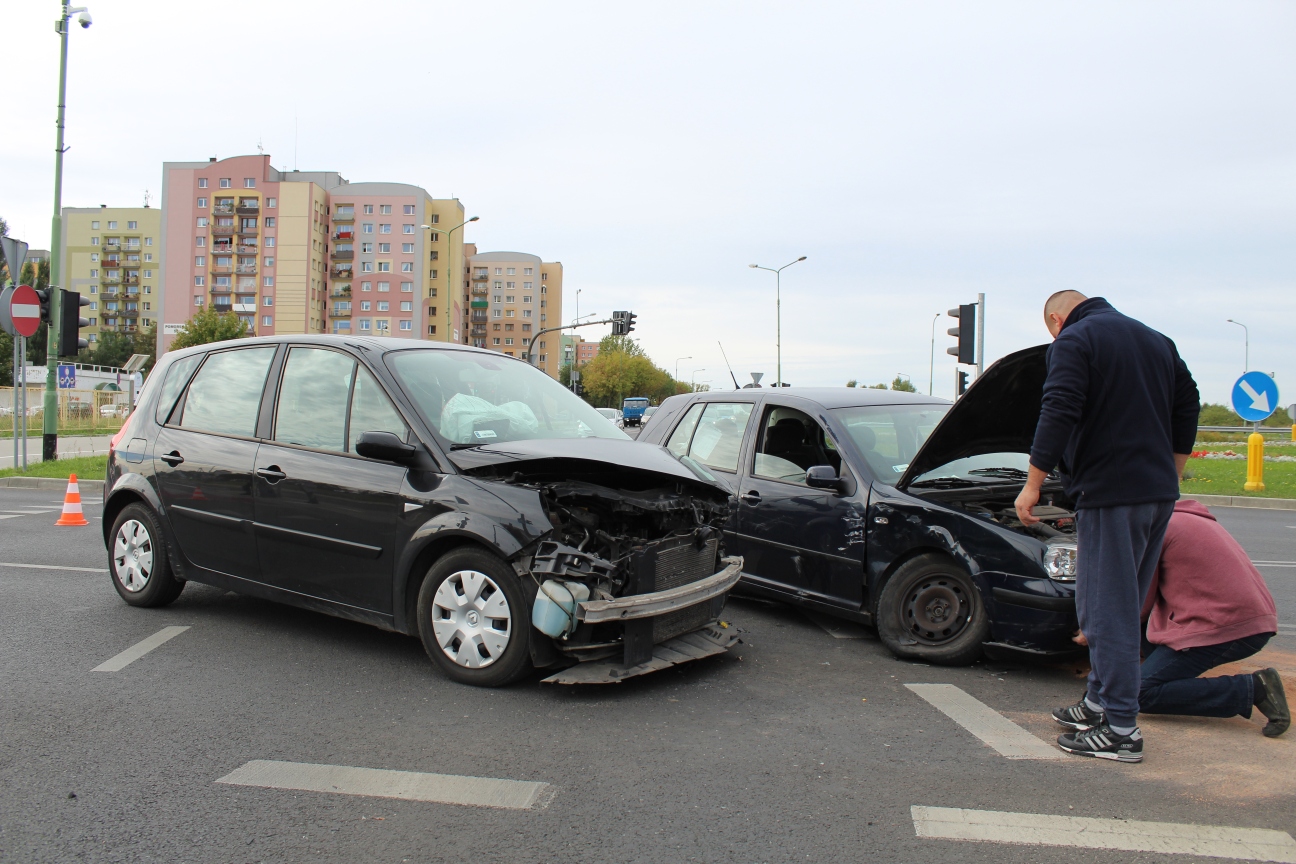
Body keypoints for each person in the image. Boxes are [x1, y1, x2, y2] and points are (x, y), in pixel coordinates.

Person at [1015, 291, 1199, 762]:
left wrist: (1033, 484)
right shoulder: (1157, 340)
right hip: (1156, 493)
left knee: (1105, 608)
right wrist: (1171, 470)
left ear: (1057, 319)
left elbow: (1059, 409)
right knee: (1121, 600)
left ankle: (1121, 730)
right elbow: (1188, 403)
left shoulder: (1075, 340)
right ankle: (1099, 701)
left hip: (1111, 493)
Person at [1056, 500, 1289, 736]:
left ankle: (1252, 689)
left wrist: (1096, 629)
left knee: (1136, 694)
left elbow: (1136, 602)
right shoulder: (1181, 517)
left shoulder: (1156, 531)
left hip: (1228, 627)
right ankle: (1155, 675)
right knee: (1148, 653)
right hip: (1244, 616)